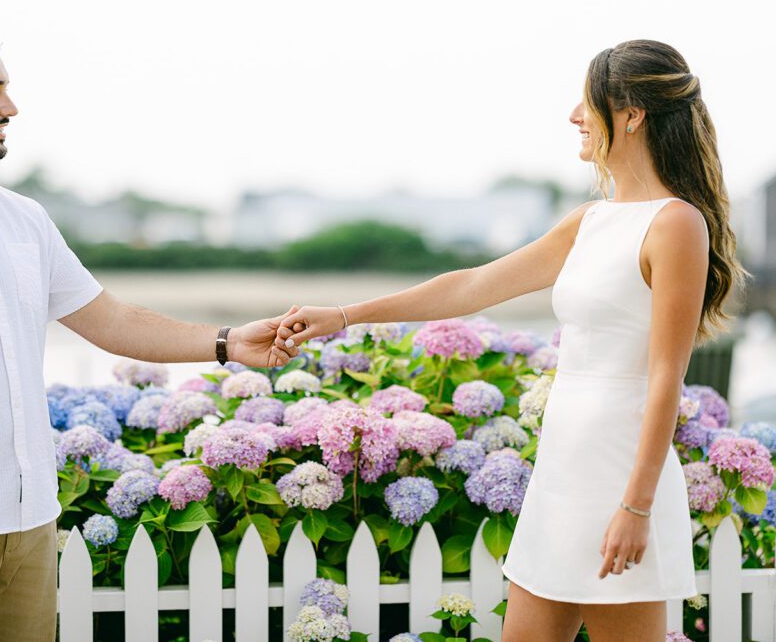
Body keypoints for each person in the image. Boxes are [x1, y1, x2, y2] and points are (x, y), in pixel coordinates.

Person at [0, 20, 297, 642]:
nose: (11, 107)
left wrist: (226, 342)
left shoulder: (24, 219)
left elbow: (110, 320)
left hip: (29, 526)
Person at [277, 40, 747, 641]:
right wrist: (343, 315)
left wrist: (636, 507)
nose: (575, 115)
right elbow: (471, 286)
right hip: (561, 468)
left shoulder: (677, 223)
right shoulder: (590, 221)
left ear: (631, 114)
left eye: (588, 100)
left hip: (622, 475)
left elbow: (665, 377)